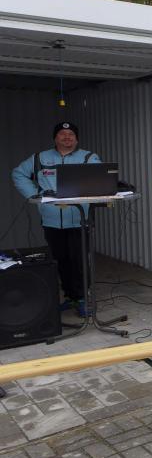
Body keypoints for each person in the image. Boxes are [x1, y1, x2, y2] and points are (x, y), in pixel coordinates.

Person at [12, 122, 100, 316]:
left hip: (79, 220)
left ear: (77, 139)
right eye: (62, 134)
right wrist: (34, 195)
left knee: (79, 261)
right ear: (55, 138)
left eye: (71, 134)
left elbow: (100, 180)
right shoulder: (40, 158)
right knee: (60, 260)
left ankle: (83, 298)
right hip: (51, 220)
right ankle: (70, 296)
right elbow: (18, 174)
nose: (67, 137)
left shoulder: (88, 157)